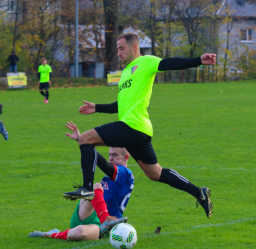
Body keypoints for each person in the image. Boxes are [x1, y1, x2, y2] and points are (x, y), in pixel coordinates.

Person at [64, 32, 216, 218]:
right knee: (155, 173)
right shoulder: (126, 73)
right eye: (117, 49)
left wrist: (198, 60)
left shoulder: (145, 62)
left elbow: (170, 63)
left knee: (86, 139)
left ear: (134, 47)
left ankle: (87, 188)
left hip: (133, 126)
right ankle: (198, 192)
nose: (118, 53)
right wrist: (97, 108)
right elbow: (122, 105)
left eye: (121, 48)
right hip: (139, 129)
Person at [28, 142, 134, 241]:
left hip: (100, 227)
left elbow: (104, 164)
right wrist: (83, 141)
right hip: (90, 214)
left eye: (115, 155)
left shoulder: (126, 174)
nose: (110, 158)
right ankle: (105, 220)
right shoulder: (112, 176)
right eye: (109, 155)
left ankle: (50, 234)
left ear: (126, 157)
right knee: (94, 187)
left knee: (79, 233)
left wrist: (84, 142)